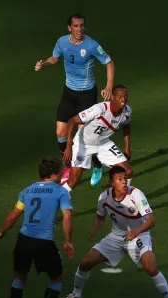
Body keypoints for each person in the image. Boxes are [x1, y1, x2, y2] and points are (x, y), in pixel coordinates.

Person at [58, 166, 168, 298]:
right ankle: (76, 294)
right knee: (86, 262)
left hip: (139, 235)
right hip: (116, 236)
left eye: (124, 178)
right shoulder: (104, 197)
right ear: (111, 183)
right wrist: (95, 228)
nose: (124, 182)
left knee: (151, 267)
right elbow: (100, 217)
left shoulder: (136, 194)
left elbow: (151, 221)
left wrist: (136, 232)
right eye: (119, 179)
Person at [0, 157, 75, 298]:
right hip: (44, 243)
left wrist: (1, 232)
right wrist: (67, 241)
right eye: (59, 172)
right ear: (53, 175)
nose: (61, 175)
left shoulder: (27, 191)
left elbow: (14, 215)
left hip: (23, 240)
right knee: (56, 278)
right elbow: (67, 216)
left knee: (20, 277)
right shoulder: (61, 192)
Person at [35, 12, 116, 186]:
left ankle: (97, 164)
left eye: (82, 26)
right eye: (76, 26)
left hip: (86, 95)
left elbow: (109, 62)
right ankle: (69, 166)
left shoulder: (91, 44)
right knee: (60, 134)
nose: (79, 29)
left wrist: (109, 86)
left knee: (84, 137)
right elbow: (54, 58)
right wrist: (44, 64)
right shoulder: (62, 42)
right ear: (69, 28)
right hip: (69, 93)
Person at [61, 84, 133, 193]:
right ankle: (57, 197)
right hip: (83, 143)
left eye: (125, 96)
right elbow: (72, 121)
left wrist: (127, 147)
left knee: (128, 171)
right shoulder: (100, 109)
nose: (123, 99)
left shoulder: (127, 112)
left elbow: (126, 127)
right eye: (119, 96)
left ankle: (122, 199)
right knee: (74, 180)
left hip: (103, 144)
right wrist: (68, 146)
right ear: (112, 97)